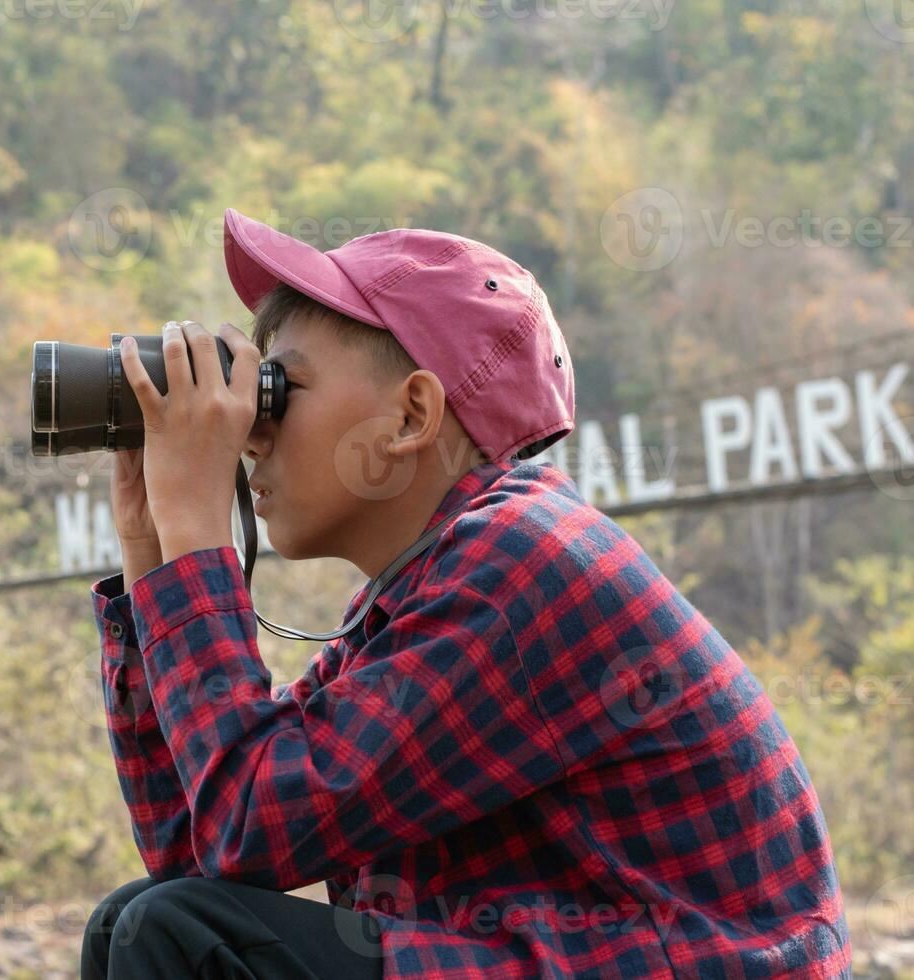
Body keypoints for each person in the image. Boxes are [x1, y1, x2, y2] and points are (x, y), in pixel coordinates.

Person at [80, 207, 851, 979]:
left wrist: (197, 530)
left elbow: (245, 824)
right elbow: (200, 848)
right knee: (134, 920)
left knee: (175, 931)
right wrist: (153, 550)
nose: (250, 433)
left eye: (281, 388)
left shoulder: (526, 560)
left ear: (413, 414)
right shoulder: (420, 596)